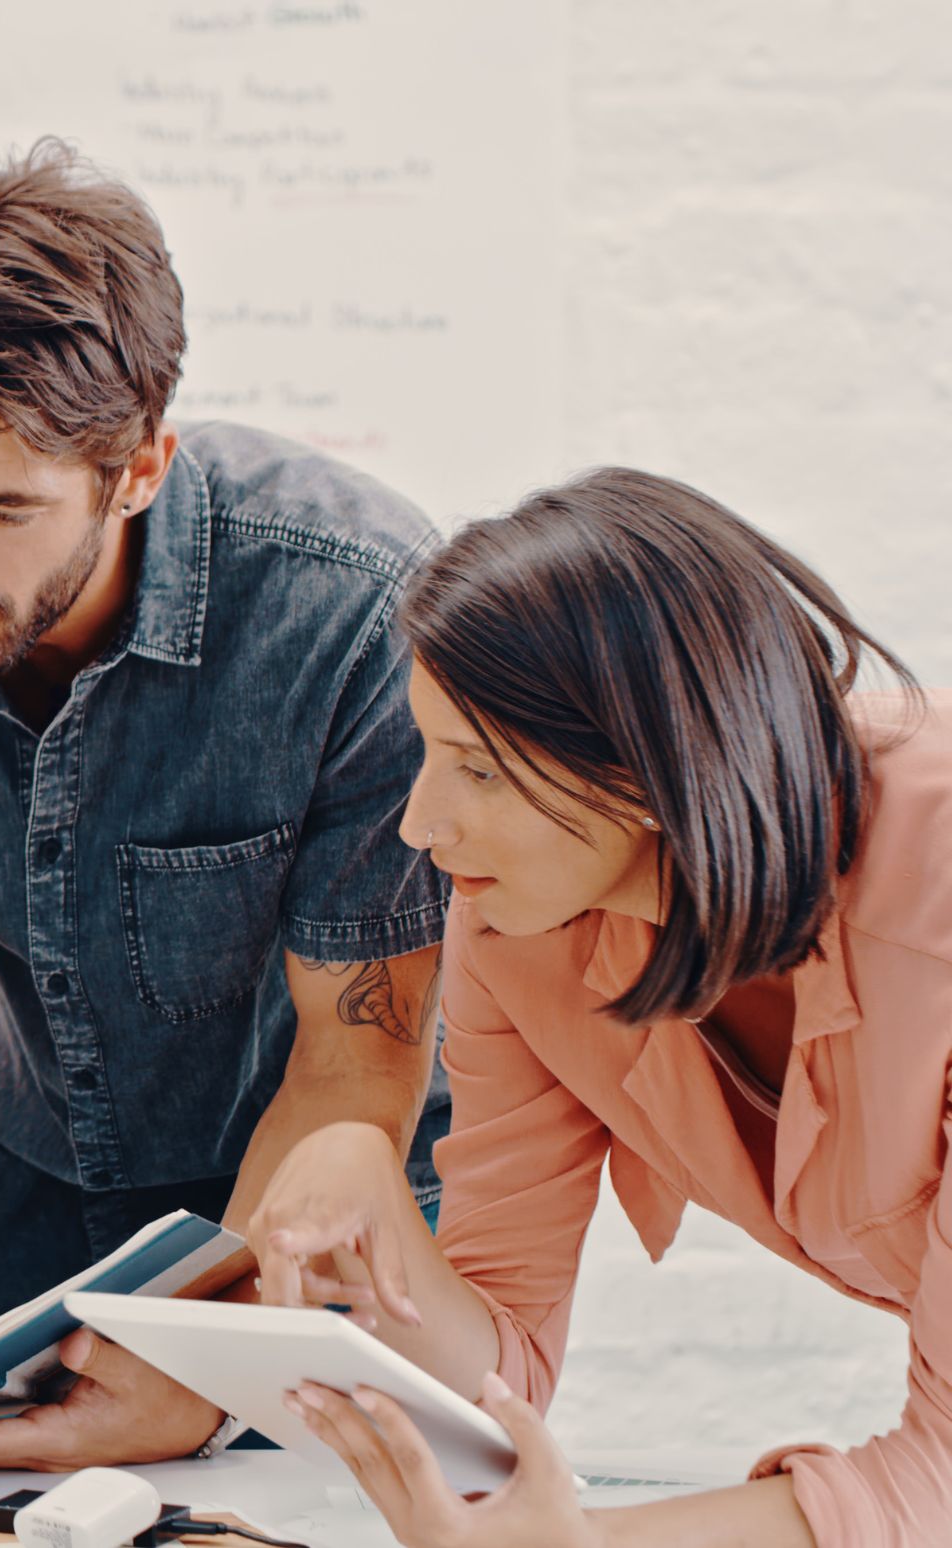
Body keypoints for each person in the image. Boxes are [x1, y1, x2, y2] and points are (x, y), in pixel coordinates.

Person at [0, 139, 450, 1470]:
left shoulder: (356, 617)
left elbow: (360, 1051)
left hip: (324, 1272)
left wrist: (206, 1361)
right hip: (22, 1252)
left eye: (2, 508)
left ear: (141, 468)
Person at [250, 468, 947, 1547]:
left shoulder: (934, 899)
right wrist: (364, 1172)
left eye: (475, 772)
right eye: (426, 755)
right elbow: (504, 1361)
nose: (418, 826)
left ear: (647, 768)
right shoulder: (519, 925)